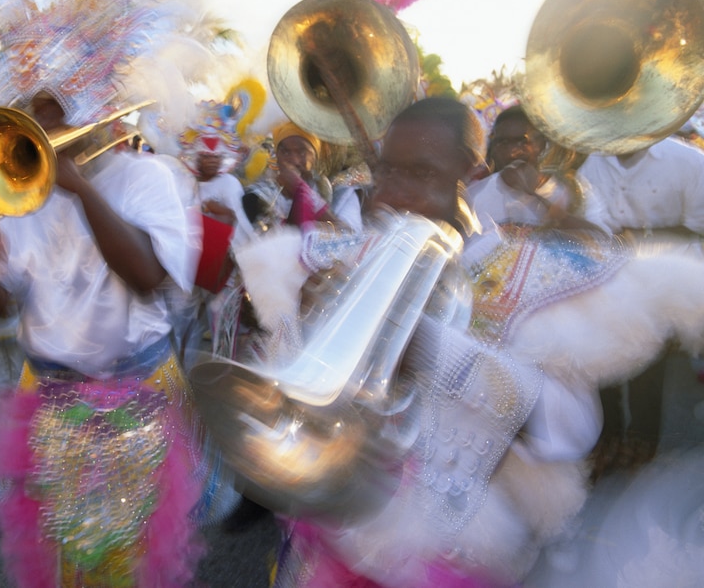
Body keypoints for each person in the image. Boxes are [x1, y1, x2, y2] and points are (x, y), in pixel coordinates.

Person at [258, 97, 684, 586]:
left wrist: (431, 347)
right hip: (336, 540)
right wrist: (309, 323)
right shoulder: (354, 254)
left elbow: (573, 429)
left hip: (450, 557)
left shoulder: (527, 272)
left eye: (420, 173)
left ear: (472, 173)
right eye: (386, 173)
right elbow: (292, 398)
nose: (389, 196)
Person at [0, 0, 215, 584]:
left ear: (96, 110)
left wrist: (83, 188)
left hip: (135, 394)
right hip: (50, 396)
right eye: (34, 114)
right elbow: (1, 308)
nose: (41, 127)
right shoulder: (18, 196)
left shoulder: (152, 179)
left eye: (55, 113)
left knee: (127, 562)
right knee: (65, 560)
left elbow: (147, 281)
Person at [576, 134, 704, 478]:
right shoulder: (591, 164)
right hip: (607, 281)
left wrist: (642, 238)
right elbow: (590, 225)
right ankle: (611, 440)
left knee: (648, 366)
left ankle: (643, 443)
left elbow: (700, 231)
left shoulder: (689, 161)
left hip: (660, 280)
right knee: (605, 364)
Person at [466, 104, 606, 232]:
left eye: (522, 142)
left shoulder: (573, 189)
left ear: (542, 144)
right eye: (503, 142)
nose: (512, 152)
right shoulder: (475, 197)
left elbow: (601, 241)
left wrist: (532, 196)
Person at [244, 121, 364, 234]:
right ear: (277, 156)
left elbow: (349, 237)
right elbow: (273, 238)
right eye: (285, 152)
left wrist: (302, 190)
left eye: (302, 152)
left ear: (315, 156)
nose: (293, 160)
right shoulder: (260, 194)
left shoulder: (342, 192)